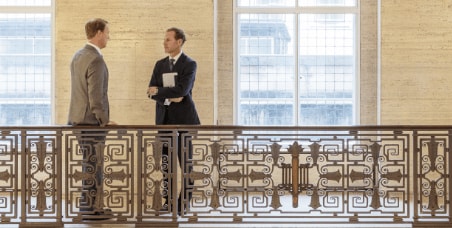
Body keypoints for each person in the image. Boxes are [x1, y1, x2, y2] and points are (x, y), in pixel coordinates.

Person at [147, 27, 200, 215]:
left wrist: (160, 92)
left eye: (168, 39)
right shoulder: (159, 64)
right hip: (165, 121)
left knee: (186, 164)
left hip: (185, 121)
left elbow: (183, 91)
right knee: (166, 164)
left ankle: (183, 203)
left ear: (179, 42)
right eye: (164, 39)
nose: (164, 42)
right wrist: (167, 95)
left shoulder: (189, 64)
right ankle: (168, 202)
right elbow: (150, 91)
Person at [67, 18, 116, 219]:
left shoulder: (78, 56)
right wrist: (104, 120)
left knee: (89, 164)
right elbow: (96, 96)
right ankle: (91, 210)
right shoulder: (96, 59)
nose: (108, 36)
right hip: (91, 122)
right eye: (107, 32)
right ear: (98, 33)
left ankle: (88, 207)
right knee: (94, 166)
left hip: (78, 120)